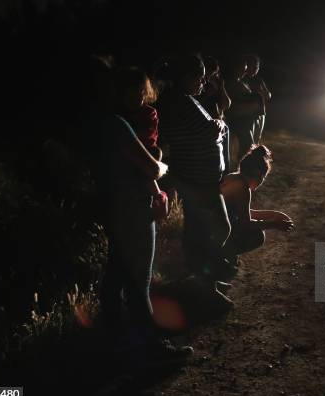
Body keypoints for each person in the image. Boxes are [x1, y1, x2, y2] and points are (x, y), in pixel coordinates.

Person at [73, 56, 191, 358]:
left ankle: (111, 337)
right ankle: (150, 347)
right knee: (139, 279)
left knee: (116, 273)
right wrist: (161, 166)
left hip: (112, 204)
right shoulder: (117, 125)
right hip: (133, 207)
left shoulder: (91, 123)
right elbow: (151, 169)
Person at [157, 54, 234, 285]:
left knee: (201, 229)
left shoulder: (185, 100)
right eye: (200, 78)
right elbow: (209, 131)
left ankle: (205, 277)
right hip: (197, 178)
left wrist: (216, 125)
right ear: (185, 78)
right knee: (217, 228)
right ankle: (201, 279)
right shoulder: (181, 103)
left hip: (198, 176)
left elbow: (209, 127)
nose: (204, 83)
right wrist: (219, 126)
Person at [220, 145, 294, 263]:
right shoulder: (243, 188)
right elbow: (246, 224)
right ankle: (222, 254)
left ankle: (223, 253)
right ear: (260, 176)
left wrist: (274, 215)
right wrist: (274, 224)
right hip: (217, 233)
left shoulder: (232, 177)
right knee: (258, 236)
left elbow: (245, 213)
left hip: (209, 228)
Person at [114, 66, 168, 222]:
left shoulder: (148, 113)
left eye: (140, 93)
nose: (136, 98)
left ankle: (157, 196)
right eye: (130, 94)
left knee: (155, 153)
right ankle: (157, 195)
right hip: (130, 160)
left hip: (144, 155)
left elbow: (145, 141)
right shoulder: (118, 116)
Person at [223, 55, 263, 163]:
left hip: (245, 119)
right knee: (245, 148)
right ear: (235, 68)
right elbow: (230, 105)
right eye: (243, 69)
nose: (245, 71)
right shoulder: (230, 83)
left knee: (247, 147)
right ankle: (242, 172)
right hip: (238, 120)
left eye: (245, 69)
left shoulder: (240, 81)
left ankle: (242, 170)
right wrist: (250, 105)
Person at [199, 56, 232, 174]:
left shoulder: (214, 85)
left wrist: (221, 87)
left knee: (225, 133)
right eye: (210, 73)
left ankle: (225, 174)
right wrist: (208, 93)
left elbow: (226, 104)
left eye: (215, 74)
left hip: (218, 123)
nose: (210, 77)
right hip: (204, 125)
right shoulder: (198, 86)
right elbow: (196, 106)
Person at [243, 54, 271, 143]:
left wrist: (262, 92)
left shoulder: (259, 80)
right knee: (248, 141)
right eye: (252, 66)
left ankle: (253, 155)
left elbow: (269, 95)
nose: (254, 69)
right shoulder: (242, 79)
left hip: (261, 113)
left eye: (256, 67)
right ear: (247, 66)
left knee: (257, 139)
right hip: (249, 115)